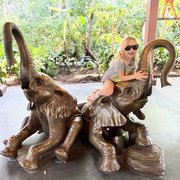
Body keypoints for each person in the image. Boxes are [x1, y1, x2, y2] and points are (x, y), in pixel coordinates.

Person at [87, 36, 148, 102]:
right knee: (109, 91)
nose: (131, 50)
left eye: (134, 47)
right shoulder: (120, 61)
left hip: (120, 80)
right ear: (122, 49)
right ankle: (96, 93)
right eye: (128, 48)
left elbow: (134, 72)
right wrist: (135, 76)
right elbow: (122, 77)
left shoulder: (133, 60)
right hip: (110, 79)